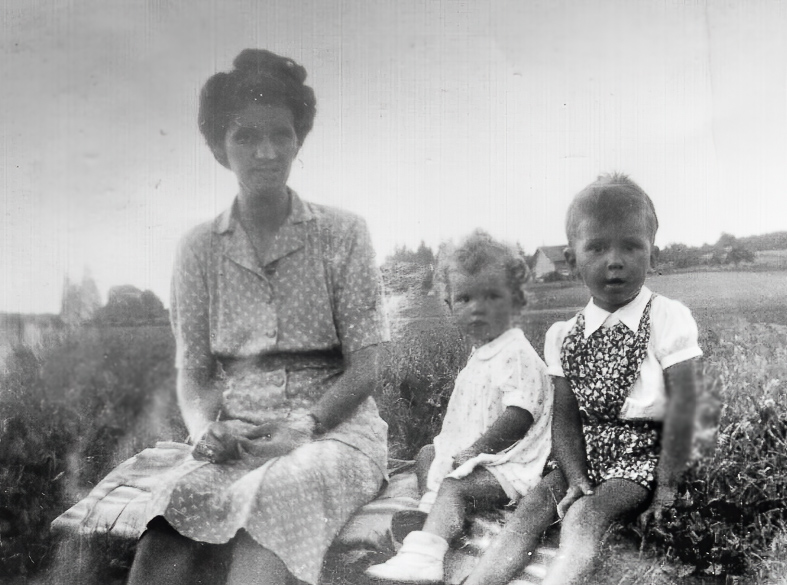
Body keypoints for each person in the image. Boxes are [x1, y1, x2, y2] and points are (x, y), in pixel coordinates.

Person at [123, 49, 390, 585]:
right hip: (240, 437)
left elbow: (368, 365)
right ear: (220, 147)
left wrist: (304, 427)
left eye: (280, 135)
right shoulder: (198, 248)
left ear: (298, 140)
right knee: (173, 514)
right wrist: (205, 431)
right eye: (245, 136)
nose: (265, 152)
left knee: (279, 498)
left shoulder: (343, 234)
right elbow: (194, 372)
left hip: (333, 437)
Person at [462, 173, 702, 585]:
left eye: (631, 246)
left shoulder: (667, 318)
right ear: (572, 260)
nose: (615, 260)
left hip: (641, 457)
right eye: (597, 247)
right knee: (533, 506)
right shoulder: (564, 335)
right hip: (584, 453)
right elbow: (566, 420)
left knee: (585, 514)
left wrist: (666, 487)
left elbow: (685, 410)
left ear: (653, 255)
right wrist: (574, 475)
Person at [365, 231, 553, 584]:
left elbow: (519, 416)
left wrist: (476, 450)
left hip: (511, 463)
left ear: (515, 300)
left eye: (492, 296)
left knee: (454, 485)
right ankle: (432, 513)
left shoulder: (515, 352)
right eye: (465, 298)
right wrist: (456, 450)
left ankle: (424, 558)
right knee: (426, 454)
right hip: (479, 455)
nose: (477, 307)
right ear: (450, 305)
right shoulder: (482, 352)